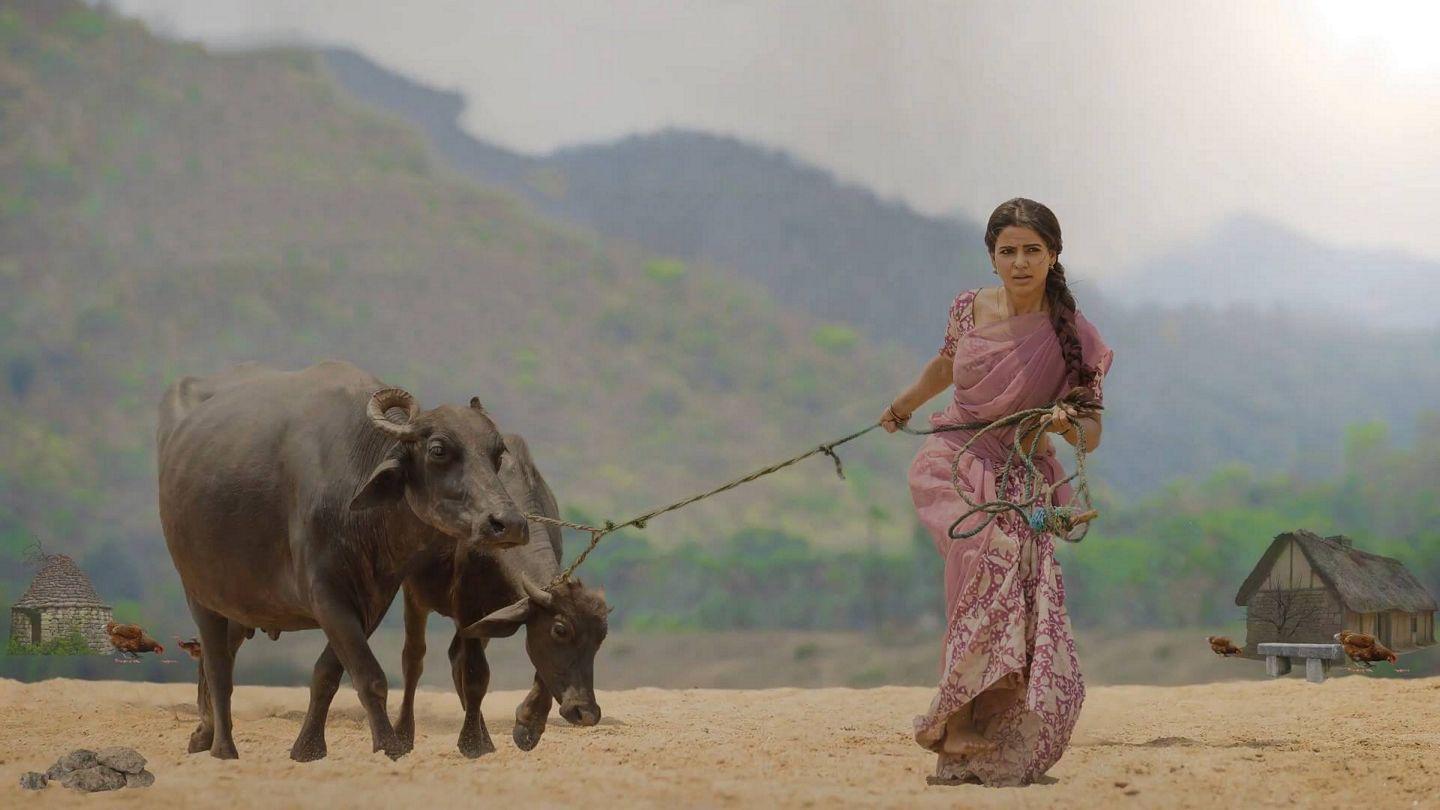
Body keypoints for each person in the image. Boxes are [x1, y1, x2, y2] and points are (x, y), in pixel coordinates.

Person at [880, 197, 1114, 787]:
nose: (1019, 262)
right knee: (979, 555)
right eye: (1007, 251)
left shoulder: (1075, 335)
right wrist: (904, 404)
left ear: (1053, 255)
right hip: (955, 458)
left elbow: (1091, 434)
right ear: (992, 257)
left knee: (1010, 581)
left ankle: (978, 723)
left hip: (1019, 476)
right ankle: (956, 718)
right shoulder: (968, 308)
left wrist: (1065, 424)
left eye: (1032, 250)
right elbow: (945, 367)